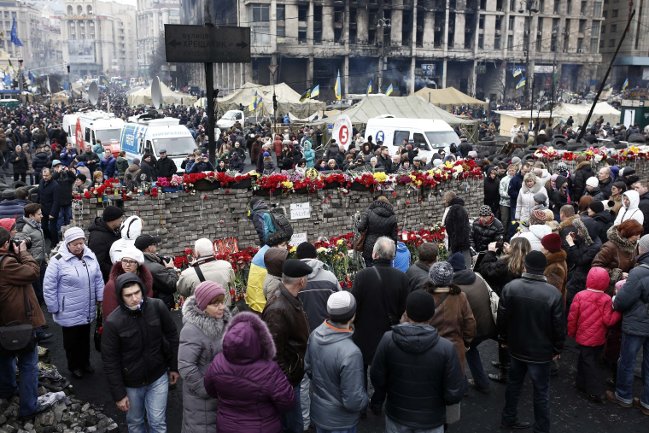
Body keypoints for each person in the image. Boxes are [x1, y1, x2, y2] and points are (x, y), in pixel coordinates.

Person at [370, 290, 467, 433]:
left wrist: (381, 396)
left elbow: (377, 377)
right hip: (431, 420)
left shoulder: (388, 339)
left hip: (397, 414)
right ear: (432, 314)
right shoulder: (446, 348)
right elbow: (453, 393)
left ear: (407, 313)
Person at [101, 273, 180, 433]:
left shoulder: (157, 306)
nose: (135, 298)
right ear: (120, 297)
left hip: (158, 376)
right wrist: (119, 394)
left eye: (137, 293)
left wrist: (174, 367)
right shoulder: (113, 322)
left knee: (157, 422)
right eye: (128, 295)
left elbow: (172, 336)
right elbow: (110, 360)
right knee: (135, 422)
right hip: (131, 383)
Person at [498, 251, 566, 432]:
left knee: (513, 386)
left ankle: (508, 420)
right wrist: (557, 348)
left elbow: (502, 318)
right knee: (541, 392)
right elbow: (558, 325)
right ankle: (541, 428)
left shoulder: (511, 287)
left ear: (525, 266)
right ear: (543, 268)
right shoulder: (553, 293)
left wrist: (504, 340)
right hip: (541, 352)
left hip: (516, 347)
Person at [204, 311, 295, 433]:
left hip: (226, 425)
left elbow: (210, 389)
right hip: (262, 426)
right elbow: (287, 401)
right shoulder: (269, 370)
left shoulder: (217, 362)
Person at [351, 237, 409, 413]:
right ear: (392, 256)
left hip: (364, 333)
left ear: (374, 254)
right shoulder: (401, 277)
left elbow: (354, 306)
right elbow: (403, 309)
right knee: (386, 369)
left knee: (361, 370)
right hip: (389, 333)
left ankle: (361, 405)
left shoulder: (362, 276)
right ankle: (377, 401)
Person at [0, 227, 49, 418]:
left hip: (3, 321)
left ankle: (7, 391)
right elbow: (32, 272)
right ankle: (28, 407)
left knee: (4, 358)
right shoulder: (6, 264)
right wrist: (24, 252)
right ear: (5, 245)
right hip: (19, 322)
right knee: (28, 363)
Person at [43, 227, 104, 379]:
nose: (78, 246)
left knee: (84, 337)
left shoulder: (90, 255)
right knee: (71, 341)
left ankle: (85, 363)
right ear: (67, 244)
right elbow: (49, 286)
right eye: (74, 244)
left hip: (87, 305)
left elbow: (98, 277)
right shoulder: (57, 260)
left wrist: (100, 296)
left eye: (81, 243)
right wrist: (53, 307)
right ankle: (74, 366)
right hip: (68, 308)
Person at [305, 291, 368, 433]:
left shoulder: (315, 334)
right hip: (341, 422)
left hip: (320, 414)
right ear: (352, 316)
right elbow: (353, 400)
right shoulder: (351, 352)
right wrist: (365, 400)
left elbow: (308, 369)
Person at [294, 241, 342, 429]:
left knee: (304, 381)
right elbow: (340, 302)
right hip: (327, 336)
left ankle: (305, 422)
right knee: (328, 380)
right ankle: (329, 420)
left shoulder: (292, 279)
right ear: (316, 256)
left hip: (301, 337)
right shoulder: (329, 276)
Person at [261, 259, 312, 433]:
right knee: (292, 425)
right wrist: (286, 382)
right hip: (288, 381)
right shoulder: (278, 308)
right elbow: (272, 353)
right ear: (301, 281)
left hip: (292, 374)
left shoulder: (288, 298)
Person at [178, 281, 231, 433]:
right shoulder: (192, 330)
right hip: (203, 402)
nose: (221, 307)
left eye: (222, 302)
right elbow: (186, 366)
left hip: (224, 395)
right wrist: (206, 390)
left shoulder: (225, 321)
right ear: (203, 306)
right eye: (215, 304)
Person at [477, 237, 531, 383]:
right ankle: (509, 364)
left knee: (504, 336)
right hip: (523, 304)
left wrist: (490, 252)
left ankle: (505, 372)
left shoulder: (505, 263)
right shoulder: (528, 264)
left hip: (504, 303)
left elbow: (486, 270)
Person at [607, 234, 649, 415]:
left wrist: (616, 299)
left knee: (627, 359)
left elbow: (623, 301)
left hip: (636, 323)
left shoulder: (639, 272)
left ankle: (623, 395)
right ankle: (647, 402)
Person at [568, 267, 620, 403]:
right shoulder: (606, 299)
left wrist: (572, 332)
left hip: (583, 336)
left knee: (585, 359)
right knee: (591, 361)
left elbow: (572, 317)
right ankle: (592, 390)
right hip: (598, 338)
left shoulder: (580, 295)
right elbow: (608, 321)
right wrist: (618, 312)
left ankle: (588, 387)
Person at [448, 252, 497, 394]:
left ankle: (463, 387)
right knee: (471, 351)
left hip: (476, 329)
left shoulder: (457, 289)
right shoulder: (477, 278)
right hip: (488, 325)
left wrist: (466, 340)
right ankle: (481, 382)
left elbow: (459, 317)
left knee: (460, 350)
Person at [424, 260, 476, 371]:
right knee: (454, 381)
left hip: (429, 346)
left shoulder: (424, 296)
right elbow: (470, 322)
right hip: (455, 348)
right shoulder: (460, 296)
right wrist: (466, 343)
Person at [177, 237, 234, 306]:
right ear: (213, 251)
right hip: (224, 311)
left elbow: (182, 291)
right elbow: (231, 281)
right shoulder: (226, 266)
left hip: (202, 314)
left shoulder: (187, 274)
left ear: (196, 253)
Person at [101, 247, 154, 318]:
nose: (127, 265)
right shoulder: (113, 284)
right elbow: (110, 313)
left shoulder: (146, 281)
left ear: (138, 264)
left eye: (131, 261)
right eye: (124, 260)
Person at [135, 234, 178, 310]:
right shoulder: (155, 268)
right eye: (154, 244)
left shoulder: (137, 261)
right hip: (161, 305)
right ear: (149, 248)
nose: (156, 246)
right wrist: (170, 268)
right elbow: (173, 285)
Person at [356, 196, 398, 267]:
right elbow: (394, 237)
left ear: (377, 202)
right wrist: (394, 252)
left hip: (369, 247)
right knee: (384, 272)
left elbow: (360, 227)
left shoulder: (369, 212)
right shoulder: (393, 217)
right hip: (385, 249)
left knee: (370, 271)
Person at [87, 205, 124, 282]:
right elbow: (98, 262)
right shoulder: (98, 238)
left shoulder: (114, 230)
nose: (121, 220)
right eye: (119, 218)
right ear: (112, 220)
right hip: (106, 279)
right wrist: (116, 270)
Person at [20, 203, 47, 304]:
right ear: (31, 216)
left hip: (41, 261)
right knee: (37, 290)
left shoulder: (37, 226)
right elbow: (24, 249)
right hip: (34, 264)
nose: (42, 216)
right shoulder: (26, 230)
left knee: (43, 285)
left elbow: (41, 244)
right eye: (39, 214)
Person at [540, 233, 568, 304]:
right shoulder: (553, 261)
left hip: (549, 306)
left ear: (548, 249)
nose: (540, 247)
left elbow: (551, 293)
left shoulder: (555, 267)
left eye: (543, 246)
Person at [37, 167, 60, 246]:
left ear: (51, 175)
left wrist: (52, 213)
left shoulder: (55, 185)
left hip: (52, 209)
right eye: (44, 175)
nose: (45, 177)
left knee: (53, 228)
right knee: (44, 227)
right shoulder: (41, 181)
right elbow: (39, 195)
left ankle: (55, 243)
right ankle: (50, 239)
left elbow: (56, 201)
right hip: (42, 209)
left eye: (47, 175)